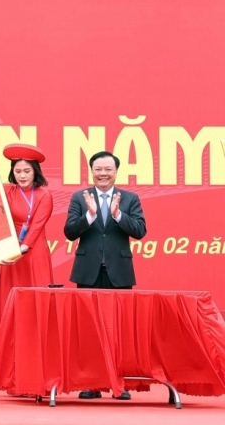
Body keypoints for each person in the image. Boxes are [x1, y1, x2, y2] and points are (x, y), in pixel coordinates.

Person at [65, 150, 147, 401]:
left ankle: (118, 384)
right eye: (98, 169)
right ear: (92, 171)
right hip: (88, 272)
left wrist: (117, 215)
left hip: (118, 272)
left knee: (118, 330)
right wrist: (89, 215)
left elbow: (140, 230)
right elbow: (69, 232)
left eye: (108, 169)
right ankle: (92, 383)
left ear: (115, 172)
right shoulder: (80, 197)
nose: (103, 173)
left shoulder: (129, 199)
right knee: (90, 329)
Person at [0, 144, 53, 375]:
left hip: (33, 255)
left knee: (36, 309)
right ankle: (8, 370)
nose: (22, 175)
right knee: (9, 308)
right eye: (18, 171)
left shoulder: (45, 195)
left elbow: (36, 228)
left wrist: (20, 250)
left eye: (27, 171)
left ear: (35, 172)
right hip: (9, 254)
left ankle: (37, 368)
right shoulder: (6, 191)